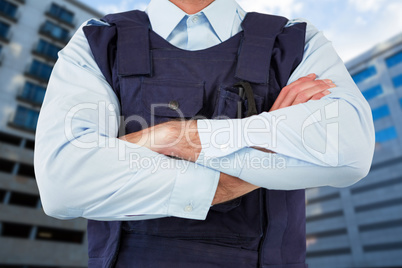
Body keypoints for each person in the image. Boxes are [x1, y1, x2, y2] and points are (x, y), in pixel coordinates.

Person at [34, 0, 375, 267]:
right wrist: (271, 141)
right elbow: (63, 186)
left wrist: (180, 137)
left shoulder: (296, 40)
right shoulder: (98, 40)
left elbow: (350, 151)